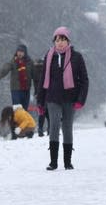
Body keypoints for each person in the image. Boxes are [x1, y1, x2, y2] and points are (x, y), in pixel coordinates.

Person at [37, 26, 89, 171]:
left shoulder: (76, 57)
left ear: (68, 41)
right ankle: (53, 162)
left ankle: (68, 162)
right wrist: (40, 102)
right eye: (57, 40)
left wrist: (81, 99)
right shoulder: (49, 56)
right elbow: (43, 80)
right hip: (52, 97)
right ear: (54, 41)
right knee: (53, 127)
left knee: (67, 128)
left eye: (63, 40)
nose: (60, 43)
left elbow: (84, 80)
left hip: (70, 98)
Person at [0, 44, 34, 110]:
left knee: (25, 111)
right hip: (16, 90)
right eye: (18, 51)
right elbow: (5, 69)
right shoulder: (13, 62)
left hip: (26, 90)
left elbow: (35, 74)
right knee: (17, 110)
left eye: (22, 52)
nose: (19, 53)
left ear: (25, 53)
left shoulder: (29, 63)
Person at [31, 58, 48, 137]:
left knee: (41, 112)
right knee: (48, 112)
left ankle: (40, 129)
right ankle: (49, 129)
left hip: (38, 93)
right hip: (47, 93)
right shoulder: (45, 71)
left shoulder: (34, 71)